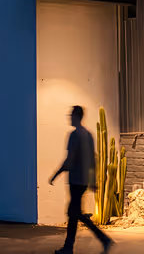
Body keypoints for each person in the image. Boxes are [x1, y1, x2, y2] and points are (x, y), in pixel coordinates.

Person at [48, 105, 113, 254]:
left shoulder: (74, 135)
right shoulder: (88, 135)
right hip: (83, 181)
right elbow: (93, 160)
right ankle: (70, 246)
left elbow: (69, 160)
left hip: (75, 180)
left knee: (75, 213)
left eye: (71, 115)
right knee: (74, 213)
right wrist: (92, 181)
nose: (69, 118)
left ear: (76, 116)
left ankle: (100, 240)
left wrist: (56, 174)